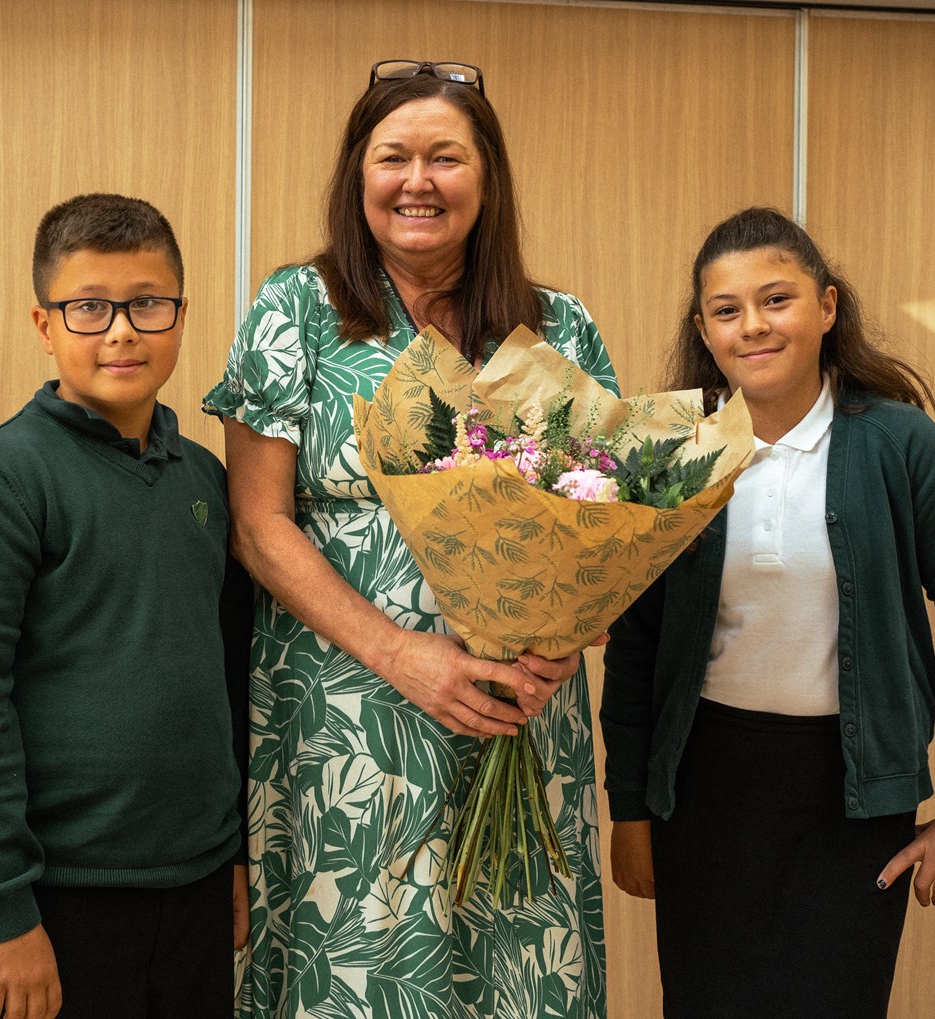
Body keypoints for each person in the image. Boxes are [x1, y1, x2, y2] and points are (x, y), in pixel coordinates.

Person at [205, 60, 613, 1018]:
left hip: (519, 716)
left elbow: (604, 521)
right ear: (360, 175)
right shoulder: (294, 310)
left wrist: (562, 639)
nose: (417, 180)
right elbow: (258, 525)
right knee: (356, 969)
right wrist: (402, 654)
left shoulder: (559, 326)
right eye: (394, 157)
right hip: (343, 721)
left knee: (514, 965)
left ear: (488, 178)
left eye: (446, 157)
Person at [600, 206, 935, 1019]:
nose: (751, 326)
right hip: (703, 794)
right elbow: (636, 647)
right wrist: (628, 805)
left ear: (827, 307)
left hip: (854, 801)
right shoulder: (674, 452)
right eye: (726, 310)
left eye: (776, 300)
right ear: (704, 327)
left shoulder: (900, 445)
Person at [0, 193, 252, 1019]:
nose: (122, 330)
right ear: (44, 323)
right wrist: (2, 912)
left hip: (198, 886)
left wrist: (234, 851)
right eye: (89, 307)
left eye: (147, 303)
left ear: (180, 312)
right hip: (55, 901)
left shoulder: (205, 479)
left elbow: (230, 677)